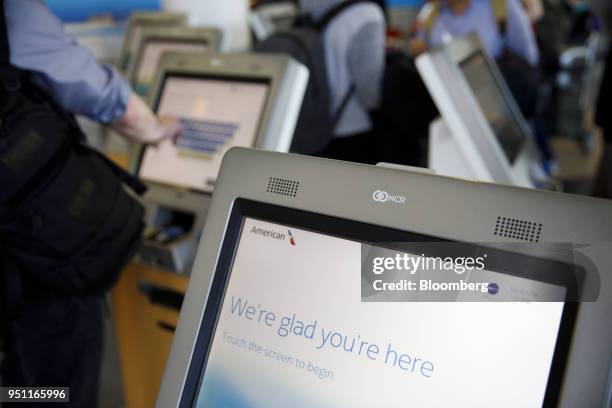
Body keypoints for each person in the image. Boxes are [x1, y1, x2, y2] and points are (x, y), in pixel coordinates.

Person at [0, 1, 180, 406]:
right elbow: (95, 90)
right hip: (42, 252)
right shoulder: (14, 13)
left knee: (20, 374)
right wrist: (155, 130)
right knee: (58, 382)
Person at [298, 0, 386, 164]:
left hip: (315, 128)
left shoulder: (311, 7)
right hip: (354, 128)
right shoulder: (367, 14)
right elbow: (370, 94)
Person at [410, 0, 540, 67]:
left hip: (499, 104)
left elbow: (529, 59)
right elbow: (418, 47)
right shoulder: (431, 13)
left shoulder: (501, 5)